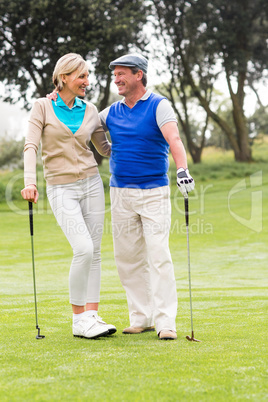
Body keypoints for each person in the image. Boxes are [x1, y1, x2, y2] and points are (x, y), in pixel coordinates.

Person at [99, 54, 195, 340]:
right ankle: (141, 317)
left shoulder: (158, 105)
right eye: (114, 74)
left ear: (138, 75)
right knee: (127, 257)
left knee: (158, 255)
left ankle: (166, 321)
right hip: (120, 193)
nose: (116, 79)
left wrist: (182, 170)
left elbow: (174, 140)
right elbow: (85, 123)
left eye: (121, 73)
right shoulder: (110, 112)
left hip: (154, 192)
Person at [21, 53, 116, 339]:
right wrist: (29, 182)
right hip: (61, 189)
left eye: (87, 76)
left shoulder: (90, 110)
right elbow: (30, 147)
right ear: (64, 77)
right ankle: (78, 321)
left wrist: (141, 145)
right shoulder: (42, 107)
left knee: (96, 252)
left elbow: (105, 149)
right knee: (83, 249)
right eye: (82, 76)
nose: (87, 81)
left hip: (91, 184)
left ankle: (92, 316)